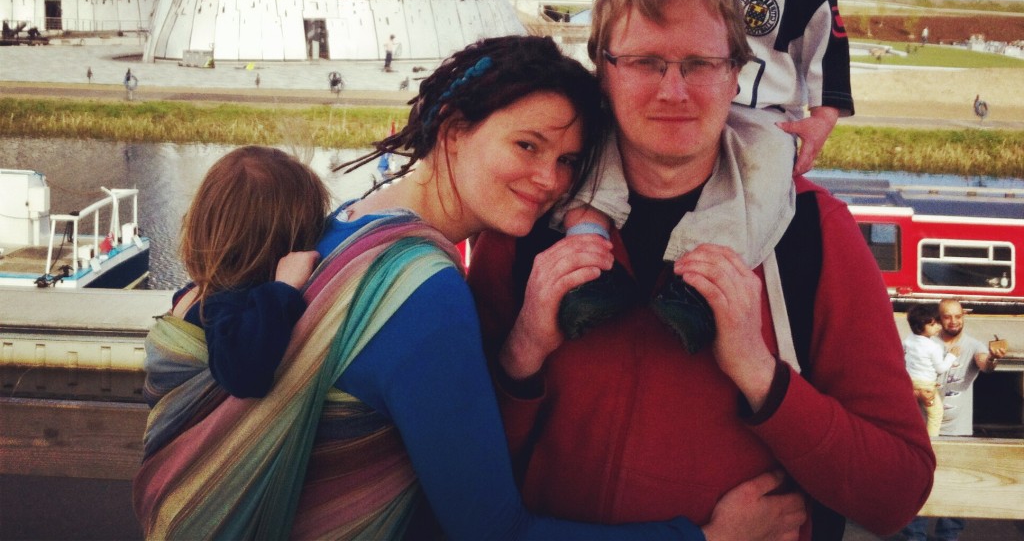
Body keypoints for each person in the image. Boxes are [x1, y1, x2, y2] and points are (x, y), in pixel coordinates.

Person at [134, 35, 802, 541]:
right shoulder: (421, 287)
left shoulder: (340, 223)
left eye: (570, 161)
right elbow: (491, 531)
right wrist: (705, 539)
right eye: (528, 146)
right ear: (454, 133)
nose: (550, 180)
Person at [469, 0, 934, 541]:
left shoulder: (813, 234)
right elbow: (452, 463)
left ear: (736, 73)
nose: (674, 90)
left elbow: (896, 492)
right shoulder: (530, 220)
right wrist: (522, 351)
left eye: (700, 62)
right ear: (602, 72)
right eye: (644, 61)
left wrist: (761, 376)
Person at [558, 0, 852, 348]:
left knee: (761, 189)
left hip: (762, 120)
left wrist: (822, 119)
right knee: (599, 145)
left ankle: (700, 286)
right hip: (694, 111)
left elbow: (827, 46)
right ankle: (589, 255)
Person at [146, 146, 328, 399]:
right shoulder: (224, 303)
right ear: (287, 240)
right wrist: (282, 289)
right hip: (202, 435)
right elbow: (244, 378)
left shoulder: (205, 291)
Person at [900, 298, 1004, 541]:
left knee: (958, 485)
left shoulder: (973, 344)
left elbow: (984, 364)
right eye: (948, 316)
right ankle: (915, 536)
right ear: (938, 318)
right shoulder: (924, 340)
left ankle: (948, 536)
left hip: (958, 428)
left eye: (959, 316)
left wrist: (993, 358)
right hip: (923, 427)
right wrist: (914, 391)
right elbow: (902, 375)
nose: (954, 321)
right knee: (920, 484)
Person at [902, 303, 955, 438]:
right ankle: (932, 442)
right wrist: (952, 356)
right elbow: (941, 368)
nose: (938, 326)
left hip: (911, 382)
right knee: (936, 414)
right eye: (932, 324)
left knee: (913, 414)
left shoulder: (908, 340)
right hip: (927, 386)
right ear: (920, 327)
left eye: (937, 322)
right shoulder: (933, 346)